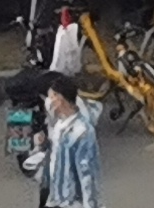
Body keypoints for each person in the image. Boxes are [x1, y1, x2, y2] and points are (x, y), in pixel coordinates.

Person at [35, 76, 99, 208]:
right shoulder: (60, 123)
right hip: (55, 195)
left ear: (60, 99)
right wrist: (45, 143)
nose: (48, 102)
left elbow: (87, 172)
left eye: (51, 97)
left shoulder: (82, 131)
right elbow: (57, 151)